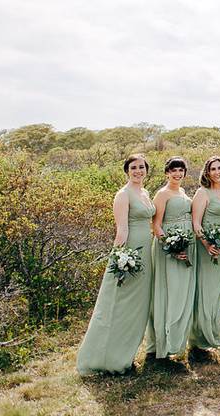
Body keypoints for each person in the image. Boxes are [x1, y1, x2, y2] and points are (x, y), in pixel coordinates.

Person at [76, 154, 155, 375]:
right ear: (127, 171)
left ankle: (126, 355)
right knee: (119, 306)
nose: (138, 171)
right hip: (131, 253)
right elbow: (121, 230)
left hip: (147, 253)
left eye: (141, 167)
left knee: (138, 308)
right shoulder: (123, 195)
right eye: (133, 167)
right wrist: (120, 258)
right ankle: (108, 359)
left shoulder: (145, 193)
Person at [145, 156, 196, 365]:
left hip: (186, 244)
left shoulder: (182, 192)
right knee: (168, 292)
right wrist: (171, 248)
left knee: (182, 292)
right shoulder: (162, 193)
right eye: (173, 171)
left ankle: (176, 342)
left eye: (181, 171)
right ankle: (160, 347)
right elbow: (156, 225)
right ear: (167, 173)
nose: (177, 174)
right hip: (169, 248)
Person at [189, 156, 220, 361]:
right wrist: (207, 244)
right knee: (205, 289)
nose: (217, 172)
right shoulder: (202, 192)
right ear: (206, 172)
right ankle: (199, 338)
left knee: (215, 291)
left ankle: (211, 332)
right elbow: (196, 223)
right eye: (213, 169)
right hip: (207, 247)